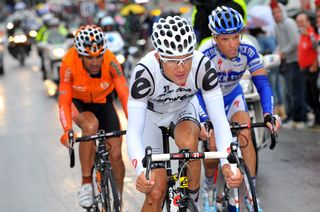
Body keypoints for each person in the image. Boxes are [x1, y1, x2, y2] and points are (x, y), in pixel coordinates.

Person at [126, 16, 243, 211]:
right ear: (158, 57)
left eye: (186, 58)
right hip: (151, 118)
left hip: (182, 110)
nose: (181, 68)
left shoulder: (203, 67)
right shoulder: (144, 73)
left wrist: (228, 165)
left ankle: (191, 202)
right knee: (155, 191)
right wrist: (141, 170)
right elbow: (133, 131)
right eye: (172, 61)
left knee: (190, 145)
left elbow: (220, 122)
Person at [196, 6, 281, 211]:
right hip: (209, 100)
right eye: (225, 39)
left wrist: (269, 112)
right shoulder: (204, 53)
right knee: (214, 144)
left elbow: (262, 84)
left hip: (233, 96)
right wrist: (205, 119)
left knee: (245, 134)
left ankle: (251, 195)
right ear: (215, 38)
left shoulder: (248, 50)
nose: (233, 44)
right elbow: (196, 92)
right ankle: (209, 191)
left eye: (236, 37)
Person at [58, 25, 128, 209]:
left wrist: (134, 121)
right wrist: (67, 130)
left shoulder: (111, 60)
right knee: (90, 125)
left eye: (98, 56)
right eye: (89, 57)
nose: (95, 62)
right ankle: (86, 183)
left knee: (115, 154)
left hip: (104, 102)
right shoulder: (68, 63)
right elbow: (64, 101)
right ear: (80, 54)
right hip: (79, 104)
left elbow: (124, 93)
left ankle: (118, 201)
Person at [271, 1, 307, 129]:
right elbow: (280, 44)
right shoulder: (277, 26)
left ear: (283, 11)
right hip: (287, 61)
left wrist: (282, 52)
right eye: (274, 13)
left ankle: (300, 119)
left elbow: (295, 42)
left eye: (278, 11)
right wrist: (275, 54)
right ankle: (292, 116)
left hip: (296, 61)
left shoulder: (289, 23)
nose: (277, 15)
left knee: (296, 91)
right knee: (288, 91)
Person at [296, 12, 320, 127]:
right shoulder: (303, 34)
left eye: (301, 22)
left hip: (312, 70)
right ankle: (315, 116)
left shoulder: (311, 34)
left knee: (314, 95)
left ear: (308, 22)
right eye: (298, 22)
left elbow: (317, 50)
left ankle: (318, 118)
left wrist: (314, 64)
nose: (299, 24)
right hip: (305, 70)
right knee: (308, 96)